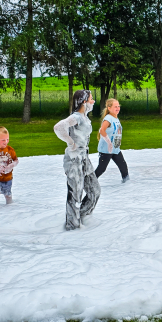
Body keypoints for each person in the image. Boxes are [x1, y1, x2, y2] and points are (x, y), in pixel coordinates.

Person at [53, 90, 101, 230]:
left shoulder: (84, 117)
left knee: (95, 190)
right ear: (84, 101)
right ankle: (72, 226)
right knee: (75, 194)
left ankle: (83, 216)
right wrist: (70, 142)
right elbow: (59, 127)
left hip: (84, 158)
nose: (93, 101)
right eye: (91, 99)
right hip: (74, 160)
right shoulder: (76, 117)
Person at [95, 98, 128, 183]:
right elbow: (101, 130)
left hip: (115, 149)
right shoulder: (108, 118)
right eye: (115, 106)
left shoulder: (115, 118)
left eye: (118, 106)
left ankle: (126, 182)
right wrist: (109, 143)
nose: (117, 108)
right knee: (101, 169)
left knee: (123, 166)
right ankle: (89, 182)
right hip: (106, 149)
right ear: (109, 108)